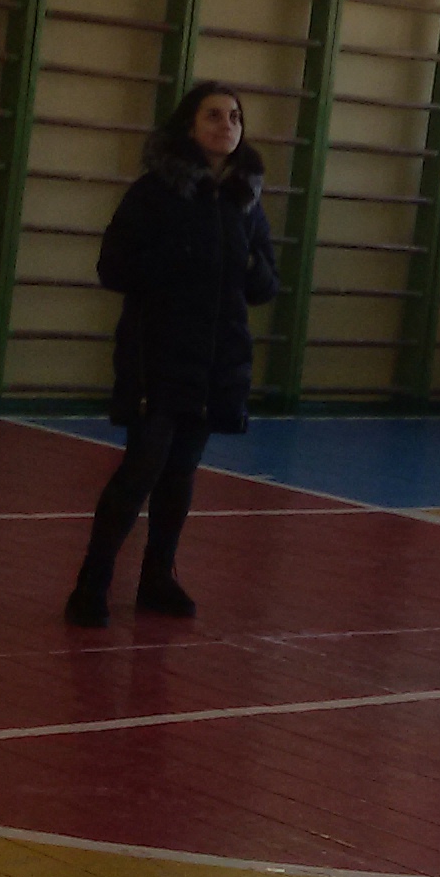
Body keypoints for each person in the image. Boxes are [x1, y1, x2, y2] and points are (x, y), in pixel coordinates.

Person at [67, 80, 280, 628]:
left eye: (235, 117)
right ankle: (92, 582)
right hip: (157, 352)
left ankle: (157, 577)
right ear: (190, 125)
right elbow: (113, 266)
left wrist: (250, 267)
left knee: (181, 472)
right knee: (141, 468)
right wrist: (174, 261)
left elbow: (265, 284)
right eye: (214, 115)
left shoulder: (245, 201)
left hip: (216, 358)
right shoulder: (154, 192)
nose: (226, 125)